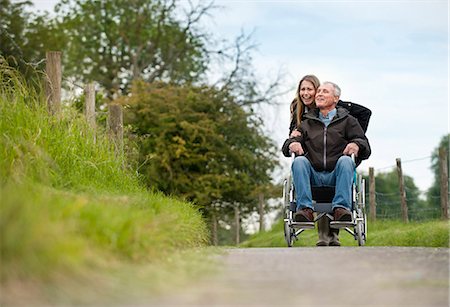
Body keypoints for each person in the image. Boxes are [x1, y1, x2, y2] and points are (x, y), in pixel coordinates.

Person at [282, 81, 371, 246]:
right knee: (299, 161)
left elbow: (364, 143)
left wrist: (356, 144)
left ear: (336, 98)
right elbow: (288, 143)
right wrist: (292, 143)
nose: (319, 94)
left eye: (325, 92)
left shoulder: (348, 121)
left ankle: (341, 210)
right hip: (313, 176)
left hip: (336, 175)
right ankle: (305, 211)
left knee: (345, 161)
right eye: (319, 91)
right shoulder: (307, 122)